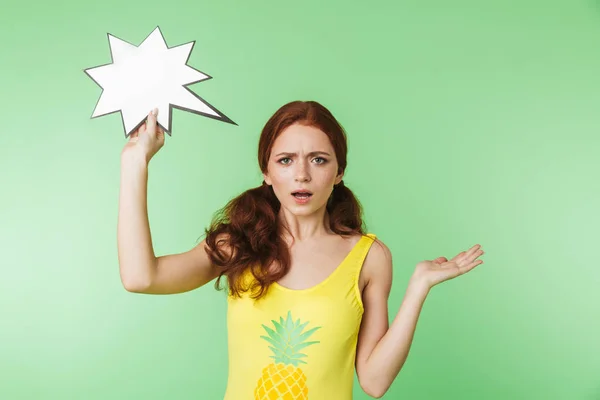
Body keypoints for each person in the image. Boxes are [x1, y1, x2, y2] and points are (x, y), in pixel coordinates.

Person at [117, 100, 485, 399]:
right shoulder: (238, 244)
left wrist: (418, 286)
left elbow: (374, 382)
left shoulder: (369, 257)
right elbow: (140, 277)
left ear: (339, 171)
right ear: (266, 170)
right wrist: (135, 161)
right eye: (286, 160)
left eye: (319, 159)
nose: (302, 175)